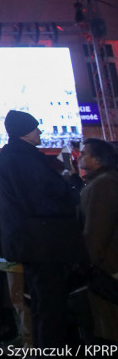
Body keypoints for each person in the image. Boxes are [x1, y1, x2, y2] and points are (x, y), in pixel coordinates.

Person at [0, 110, 81, 348]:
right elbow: (39, 199)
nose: (40, 131)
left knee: (43, 303)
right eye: (35, 128)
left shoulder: (12, 157)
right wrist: (69, 196)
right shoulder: (22, 158)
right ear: (24, 131)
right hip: (42, 242)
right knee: (50, 304)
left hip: (32, 241)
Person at [77, 138, 118, 342]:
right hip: (106, 263)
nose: (80, 157)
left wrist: (89, 262)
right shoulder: (101, 181)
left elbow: (97, 229)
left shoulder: (104, 184)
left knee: (110, 325)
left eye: (84, 153)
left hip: (108, 266)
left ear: (98, 159)